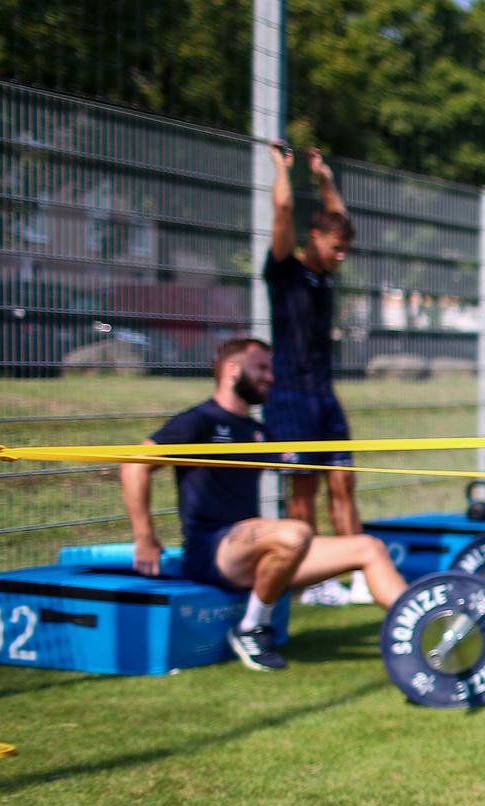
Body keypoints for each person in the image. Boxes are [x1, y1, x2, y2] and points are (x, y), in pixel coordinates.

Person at [121, 338, 406, 671]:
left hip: (258, 550)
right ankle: (252, 628)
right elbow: (133, 464)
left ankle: (419, 624)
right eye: (261, 368)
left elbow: (297, 465)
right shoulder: (200, 421)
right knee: (295, 533)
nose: (270, 377)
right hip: (211, 550)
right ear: (232, 370)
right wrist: (144, 537)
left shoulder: (257, 431)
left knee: (369, 548)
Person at [265, 140, 368, 606]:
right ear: (314, 237)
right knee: (302, 489)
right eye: (337, 248)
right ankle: (312, 580)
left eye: (346, 249)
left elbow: (337, 217)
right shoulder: (284, 269)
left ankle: (358, 575)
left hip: (323, 394)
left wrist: (325, 179)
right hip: (289, 396)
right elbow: (283, 208)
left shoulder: (325, 273)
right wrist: (282, 167)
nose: (342, 256)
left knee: (343, 481)